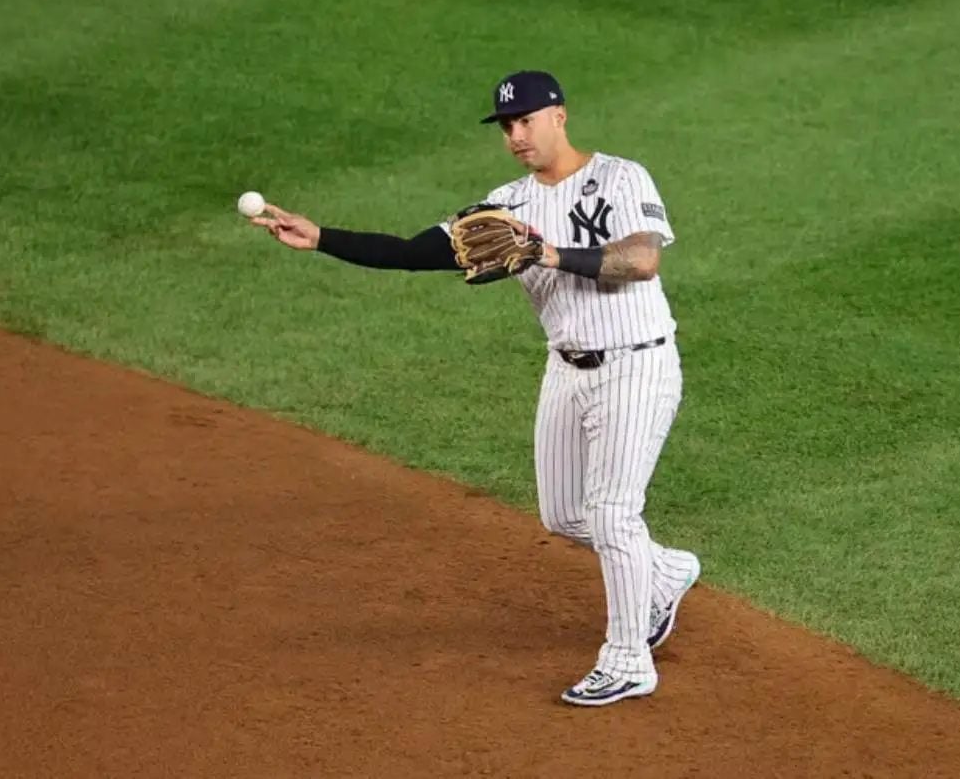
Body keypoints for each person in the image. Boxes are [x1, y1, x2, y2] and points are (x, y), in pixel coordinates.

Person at [249, 70, 701, 708]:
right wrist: (321, 237)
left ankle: (627, 660)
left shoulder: (623, 176)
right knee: (565, 515)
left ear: (559, 116)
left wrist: (548, 255)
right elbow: (410, 252)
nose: (516, 136)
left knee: (610, 513)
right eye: (507, 127)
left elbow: (640, 260)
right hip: (567, 369)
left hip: (638, 363)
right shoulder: (504, 206)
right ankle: (664, 574)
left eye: (527, 121)